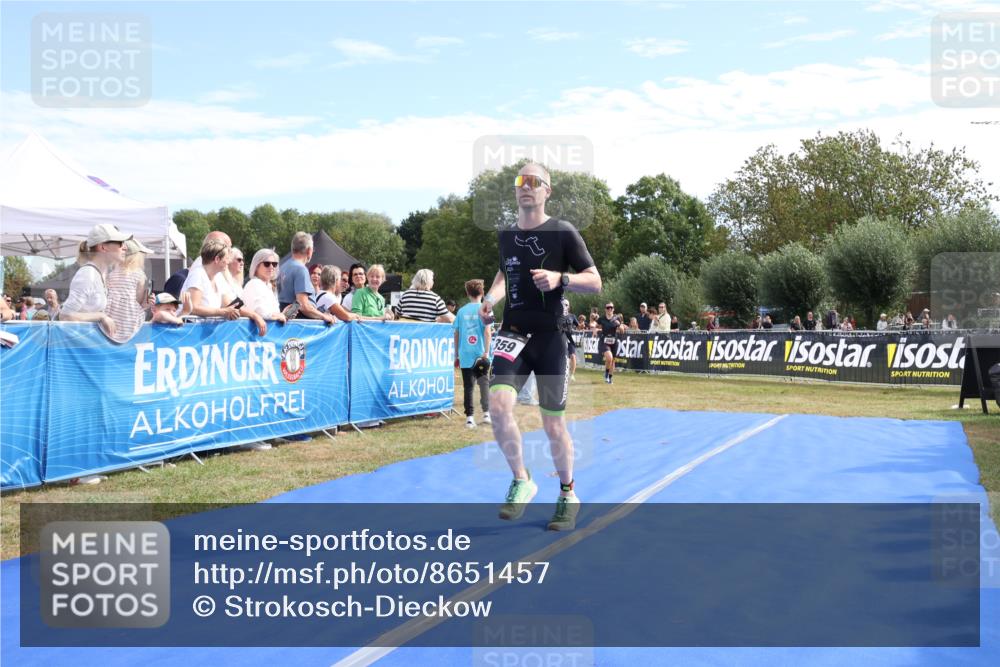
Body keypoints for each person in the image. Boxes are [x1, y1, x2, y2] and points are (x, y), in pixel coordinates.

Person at [479, 163, 602, 532]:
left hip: (551, 338)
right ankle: (522, 479)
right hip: (513, 332)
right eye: (520, 181)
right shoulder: (505, 235)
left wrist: (560, 278)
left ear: (548, 190)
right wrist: (491, 299)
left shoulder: (563, 232)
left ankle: (567, 494)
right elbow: (505, 273)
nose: (526, 187)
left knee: (552, 424)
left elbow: (595, 281)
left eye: (534, 182)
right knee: (498, 407)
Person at [60, 223, 130, 337]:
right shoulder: (88, 274)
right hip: (77, 347)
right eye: (120, 243)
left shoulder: (98, 274)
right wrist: (101, 316)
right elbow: (65, 316)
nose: (125, 247)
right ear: (103, 247)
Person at [454, 279, 492, 428]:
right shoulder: (486, 309)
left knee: (468, 386)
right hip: (480, 353)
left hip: (465, 353)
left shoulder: (461, 311)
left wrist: (456, 353)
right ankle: (486, 414)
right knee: (484, 384)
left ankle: (469, 418)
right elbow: (488, 332)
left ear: (467, 293)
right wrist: (487, 351)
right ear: (482, 293)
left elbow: (456, 333)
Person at [278, 232, 335, 324]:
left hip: (286, 322)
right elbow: (303, 305)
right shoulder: (301, 269)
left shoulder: (282, 267)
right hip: (299, 326)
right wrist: (324, 316)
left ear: (293, 249)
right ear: (309, 250)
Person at [180, 239, 240, 321]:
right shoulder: (197, 274)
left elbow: (227, 304)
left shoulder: (218, 277)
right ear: (217, 259)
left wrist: (233, 310)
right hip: (191, 329)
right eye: (227, 258)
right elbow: (193, 308)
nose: (229, 261)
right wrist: (222, 312)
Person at [106, 238, 152, 343]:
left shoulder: (112, 273)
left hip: (110, 316)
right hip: (128, 318)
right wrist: (145, 304)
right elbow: (138, 301)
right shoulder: (139, 274)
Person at [242, 248, 288, 324]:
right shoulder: (254, 284)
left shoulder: (269, 286)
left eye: (274, 264)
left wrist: (284, 314)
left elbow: (272, 313)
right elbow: (260, 312)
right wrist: (278, 315)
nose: (271, 267)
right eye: (267, 263)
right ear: (256, 266)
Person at [597, 302, 625, 384]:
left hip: (614, 341)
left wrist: (619, 325)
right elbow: (596, 326)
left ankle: (609, 378)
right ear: (605, 309)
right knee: (609, 357)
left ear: (613, 309)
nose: (609, 309)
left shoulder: (617, 318)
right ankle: (606, 373)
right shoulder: (602, 319)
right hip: (604, 340)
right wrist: (595, 330)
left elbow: (622, 330)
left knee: (612, 361)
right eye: (608, 308)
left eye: (611, 307)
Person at [560, 298, 578, 382]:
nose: (565, 306)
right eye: (563, 304)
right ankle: (561, 374)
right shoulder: (558, 315)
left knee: (573, 356)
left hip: (570, 339)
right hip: (560, 338)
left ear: (569, 306)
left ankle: (572, 375)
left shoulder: (572, 316)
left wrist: (582, 325)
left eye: (566, 305)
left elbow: (578, 325)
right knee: (561, 357)